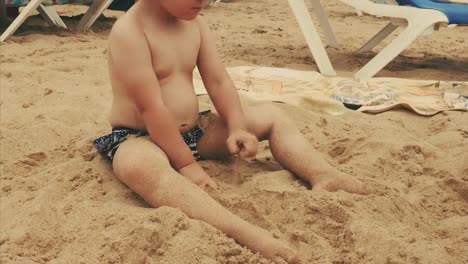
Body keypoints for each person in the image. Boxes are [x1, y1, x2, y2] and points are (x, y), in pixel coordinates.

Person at [93, 0, 364, 262]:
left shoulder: (195, 24)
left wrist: (236, 127)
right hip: (141, 137)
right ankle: (242, 231)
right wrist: (186, 164)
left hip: (194, 132)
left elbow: (219, 81)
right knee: (139, 166)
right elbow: (150, 108)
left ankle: (323, 174)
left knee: (272, 115)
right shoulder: (130, 32)